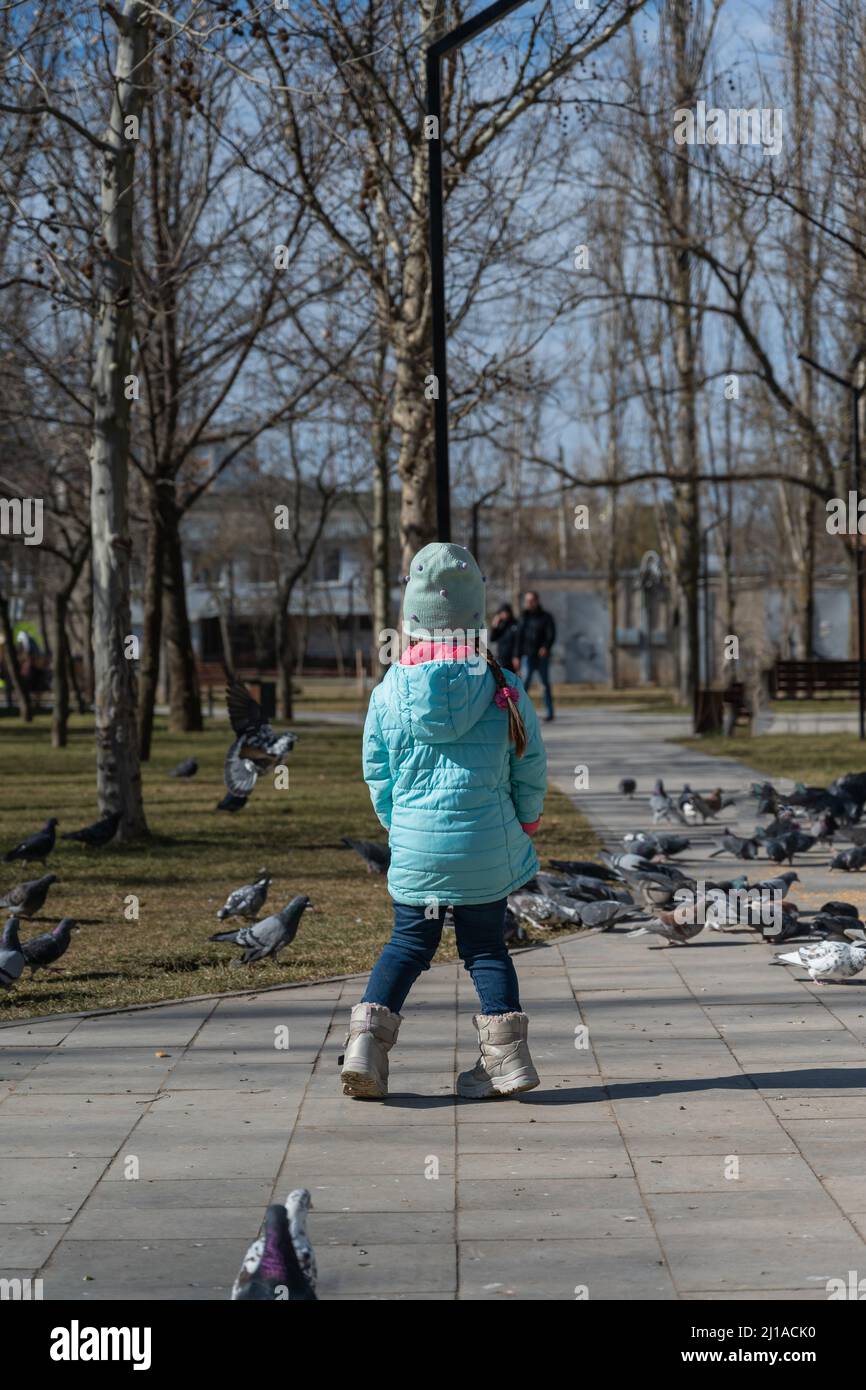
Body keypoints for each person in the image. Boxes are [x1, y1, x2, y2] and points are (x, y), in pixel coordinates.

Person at [341, 542, 547, 1101]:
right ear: (478, 619)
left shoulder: (387, 694)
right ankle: (507, 1061)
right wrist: (525, 823)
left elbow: (376, 772)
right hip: (486, 846)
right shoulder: (503, 687)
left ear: (410, 620)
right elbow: (529, 765)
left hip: (417, 846)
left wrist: (397, 824)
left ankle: (365, 1048)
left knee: (408, 944)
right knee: (485, 948)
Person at [513, 590, 556, 722]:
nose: (529, 603)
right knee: (524, 685)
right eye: (527, 601)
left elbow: (551, 634)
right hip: (527, 656)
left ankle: (549, 712)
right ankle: (520, 712)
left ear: (537, 601)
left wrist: (546, 647)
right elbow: (518, 639)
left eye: (531, 601)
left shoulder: (546, 617)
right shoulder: (523, 618)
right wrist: (516, 656)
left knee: (544, 685)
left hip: (542, 657)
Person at [490, 602, 518, 669]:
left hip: (512, 657)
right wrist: (494, 627)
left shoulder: (515, 624)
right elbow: (492, 639)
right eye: (502, 613)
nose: (504, 614)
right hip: (501, 657)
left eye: (506, 612)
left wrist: (516, 656)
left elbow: (517, 642)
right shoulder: (500, 625)